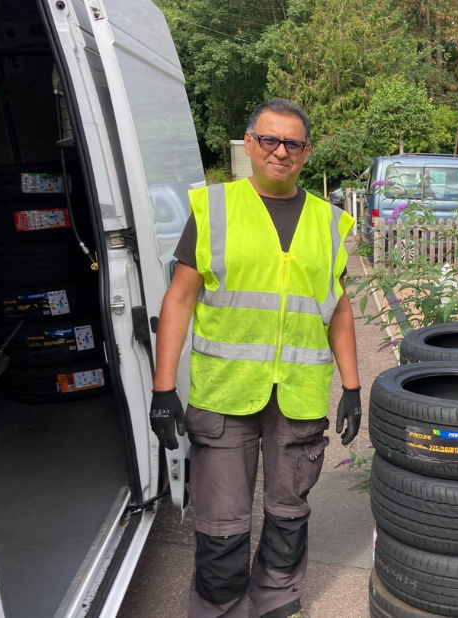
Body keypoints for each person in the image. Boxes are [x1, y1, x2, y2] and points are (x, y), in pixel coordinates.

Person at [148, 98, 361, 618]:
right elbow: (179, 299)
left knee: (289, 514)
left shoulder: (329, 222)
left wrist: (353, 387)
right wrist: (162, 389)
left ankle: (275, 601)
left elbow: (338, 308)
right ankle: (221, 608)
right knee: (222, 526)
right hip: (224, 396)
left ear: (306, 151)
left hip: (299, 398)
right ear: (249, 143)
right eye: (269, 139)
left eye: (292, 143)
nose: (280, 152)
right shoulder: (214, 209)